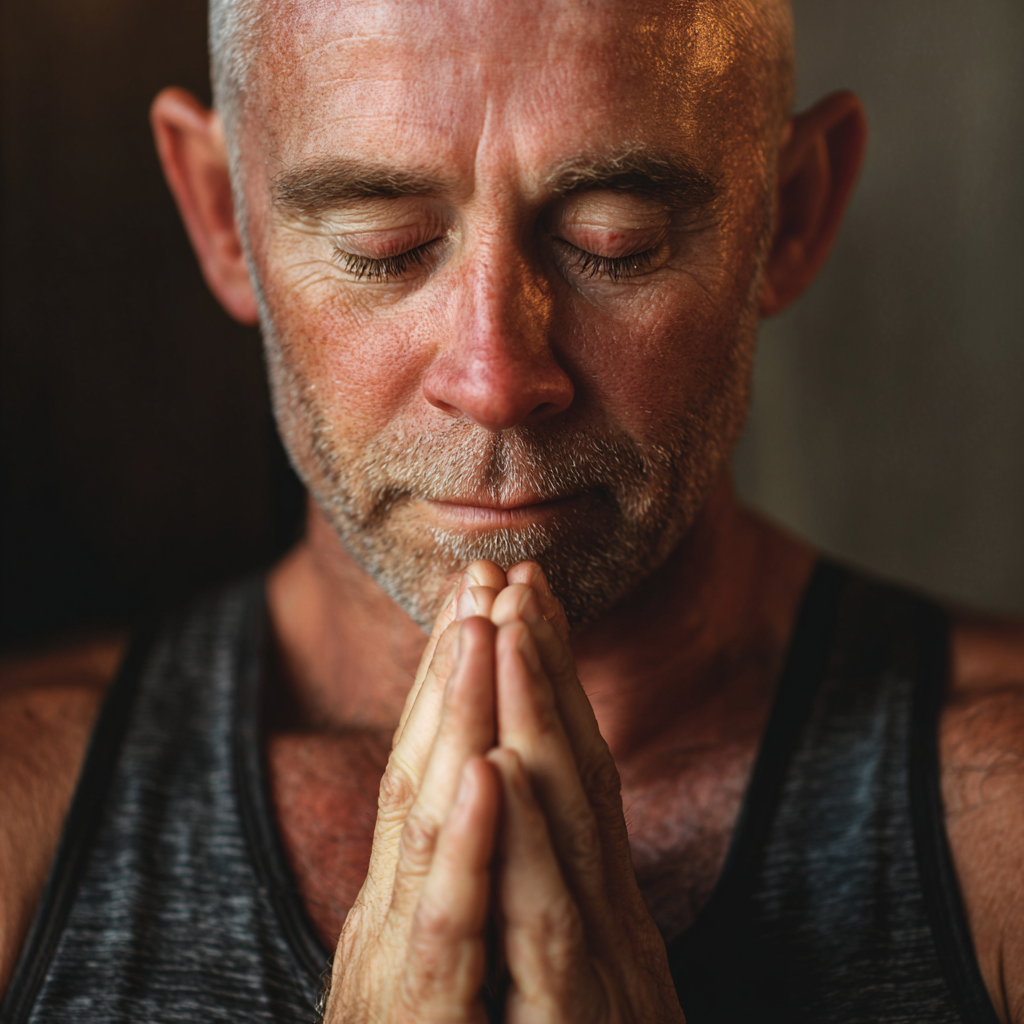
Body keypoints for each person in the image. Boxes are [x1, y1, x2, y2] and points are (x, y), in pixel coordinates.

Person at [1, 0, 1022, 1020]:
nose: (494, 378)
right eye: (382, 244)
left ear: (789, 212)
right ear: (222, 215)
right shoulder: (24, 806)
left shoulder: (998, 810)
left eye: (613, 240)